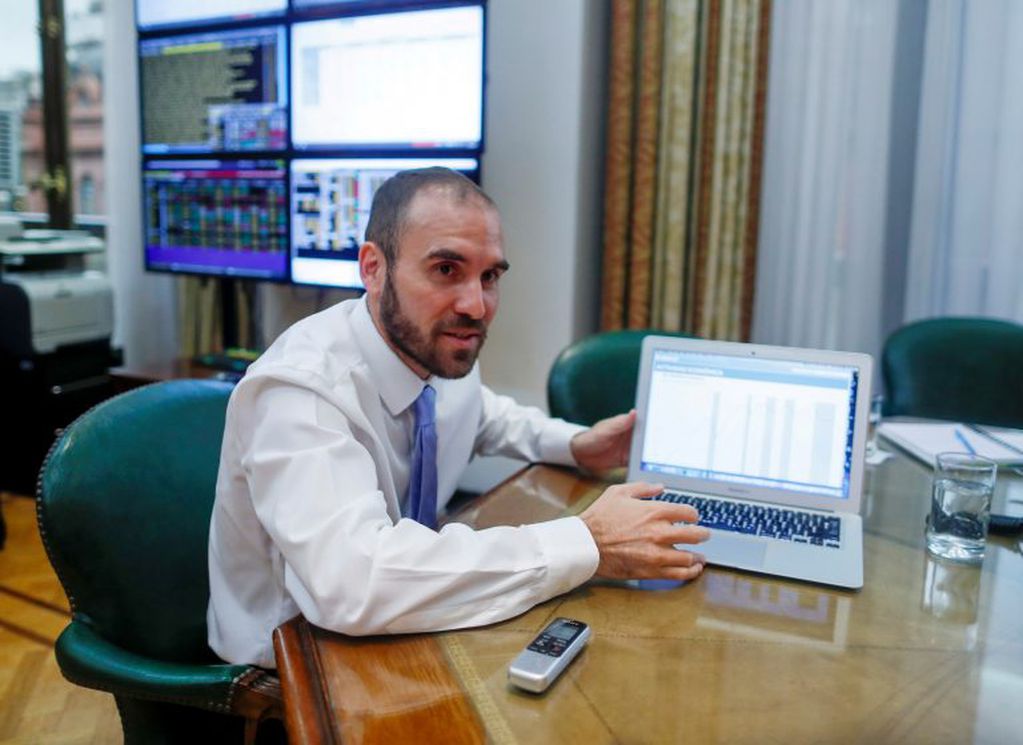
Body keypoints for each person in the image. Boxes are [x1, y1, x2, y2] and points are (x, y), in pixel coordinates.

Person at [208, 168, 708, 668]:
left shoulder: (433, 351)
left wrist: (576, 445)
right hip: (288, 673)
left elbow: (485, 414)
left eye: (490, 276)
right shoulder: (300, 390)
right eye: (446, 269)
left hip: (398, 633)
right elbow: (355, 584)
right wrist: (588, 540)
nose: (476, 305)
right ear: (372, 267)